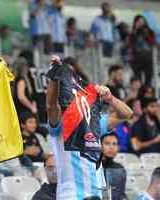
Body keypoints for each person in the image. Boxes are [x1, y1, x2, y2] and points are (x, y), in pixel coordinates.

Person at [46, 55, 133, 199]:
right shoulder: (60, 123)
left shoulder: (94, 122)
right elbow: (51, 105)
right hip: (72, 196)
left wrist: (110, 98)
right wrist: (56, 74)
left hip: (96, 194)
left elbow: (126, 114)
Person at [128, 15, 155, 86]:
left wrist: (146, 34)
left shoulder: (149, 31)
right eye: (139, 21)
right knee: (138, 78)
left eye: (142, 21)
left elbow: (152, 42)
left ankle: (146, 89)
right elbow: (130, 43)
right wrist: (135, 31)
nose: (141, 23)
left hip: (147, 57)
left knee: (148, 78)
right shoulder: (133, 32)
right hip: (137, 58)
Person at [101, 133, 127, 200]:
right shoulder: (93, 167)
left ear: (118, 148)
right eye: (107, 143)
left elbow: (121, 195)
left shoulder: (120, 169)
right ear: (100, 146)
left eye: (114, 144)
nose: (111, 147)